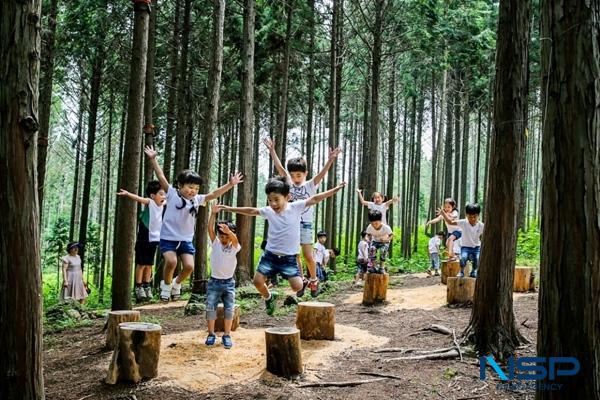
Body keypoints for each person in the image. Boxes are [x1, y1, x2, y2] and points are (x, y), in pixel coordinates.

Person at [217, 176, 346, 315]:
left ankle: (308, 282)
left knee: (297, 287)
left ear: (288, 197)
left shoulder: (296, 207)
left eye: (276, 199)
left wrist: (335, 189)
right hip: (270, 256)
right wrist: (229, 209)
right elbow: (251, 211)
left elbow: (314, 199)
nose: (273, 203)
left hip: (288, 258)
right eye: (270, 200)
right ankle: (269, 297)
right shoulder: (268, 211)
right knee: (257, 282)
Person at [145, 145, 243, 301]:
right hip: (168, 238)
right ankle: (166, 286)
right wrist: (153, 159)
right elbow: (161, 176)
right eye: (190, 187)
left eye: (196, 188)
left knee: (189, 267)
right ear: (180, 185)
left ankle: (177, 284)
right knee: (171, 261)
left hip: (185, 239)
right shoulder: (171, 194)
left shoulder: (197, 199)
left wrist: (230, 185)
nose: (193, 191)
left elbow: (213, 194)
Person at [264, 137, 342, 297]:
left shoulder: (310, 185)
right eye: (292, 175)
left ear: (305, 174)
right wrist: (272, 151)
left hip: (305, 224)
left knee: (307, 254)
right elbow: (279, 167)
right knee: (294, 254)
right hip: (290, 224)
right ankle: (301, 281)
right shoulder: (289, 184)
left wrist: (330, 160)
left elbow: (322, 173)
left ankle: (314, 280)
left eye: (298, 175)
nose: (295, 178)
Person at [116, 180, 166, 302]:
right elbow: (138, 198)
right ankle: (138, 287)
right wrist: (128, 194)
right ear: (153, 196)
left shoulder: (164, 204)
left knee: (149, 264)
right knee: (141, 263)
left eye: (164, 194)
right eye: (161, 194)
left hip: (155, 238)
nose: (163, 196)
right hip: (144, 236)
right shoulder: (150, 202)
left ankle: (146, 285)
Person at [205, 203, 241, 349]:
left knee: (229, 309)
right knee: (210, 308)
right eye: (221, 235)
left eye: (226, 235)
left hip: (228, 283)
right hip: (214, 282)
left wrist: (229, 231)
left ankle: (227, 335)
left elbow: (236, 240)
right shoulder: (215, 244)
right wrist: (213, 214)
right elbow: (209, 229)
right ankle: (211, 334)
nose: (223, 237)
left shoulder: (234, 247)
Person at [439, 203, 484, 278]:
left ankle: (473, 271)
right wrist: (443, 214)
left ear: (478, 215)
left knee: (477, 259)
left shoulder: (481, 225)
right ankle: (461, 271)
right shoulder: (464, 222)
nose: (472, 219)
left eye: (475, 217)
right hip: (465, 247)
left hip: (476, 247)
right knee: (463, 258)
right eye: (470, 217)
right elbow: (450, 222)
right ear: (466, 215)